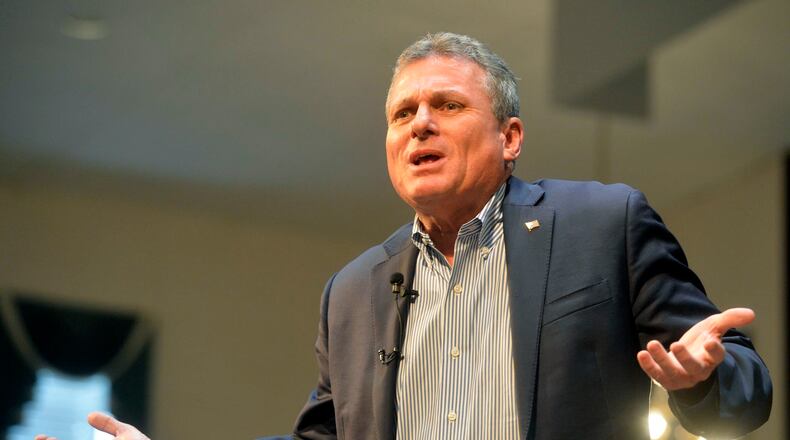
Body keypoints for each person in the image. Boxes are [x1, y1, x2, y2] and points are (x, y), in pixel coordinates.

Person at [36, 32, 771, 440]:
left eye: (447, 105)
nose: (419, 123)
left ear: (510, 136)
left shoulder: (603, 223)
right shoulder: (352, 293)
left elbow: (748, 389)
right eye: (402, 113)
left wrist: (704, 380)